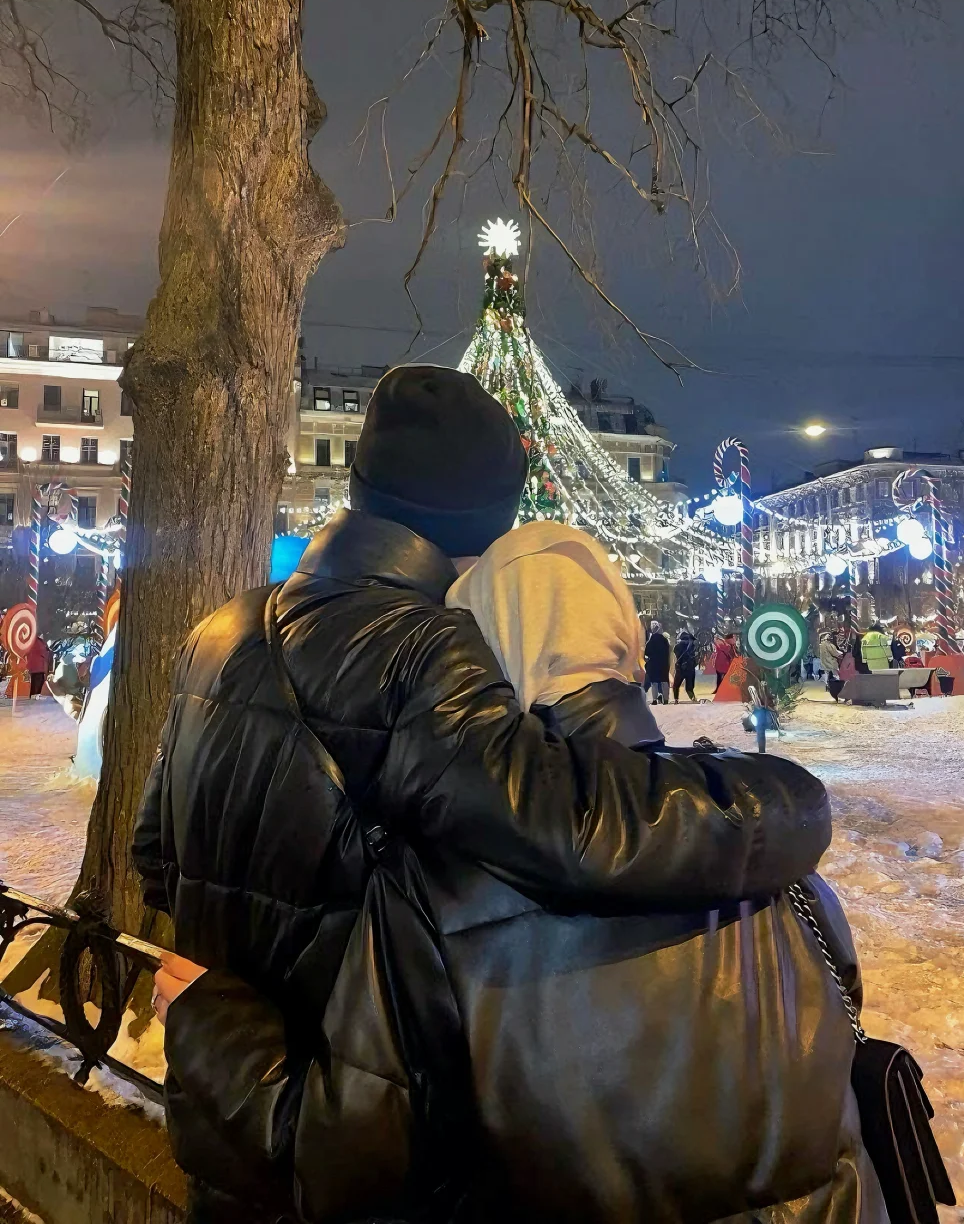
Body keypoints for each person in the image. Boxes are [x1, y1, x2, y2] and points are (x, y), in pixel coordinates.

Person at [135, 366, 832, 1224]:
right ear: (484, 529)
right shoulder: (424, 648)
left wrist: (225, 997)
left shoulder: (218, 629)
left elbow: (153, 854)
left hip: (222, 1120)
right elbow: (570, 825)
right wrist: (780, 805)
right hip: (346, 1147)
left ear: (362, 484)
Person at [643, 618, 671, 704]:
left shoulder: (650, 641)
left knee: (654, 682)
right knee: (664, 681)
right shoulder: (664, 640)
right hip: (663, 664)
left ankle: (654, 700)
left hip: (653, 664)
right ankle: (666, 700)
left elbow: (646, 653)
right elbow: (668, 652)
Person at [672, 628, 697, 702]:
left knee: (676, 685)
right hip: (690, 669)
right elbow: (694, 658)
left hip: (680, 668)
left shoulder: (677, 647)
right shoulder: (692, 647)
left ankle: (676, 699)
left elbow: (676, 653)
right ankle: (693, 698)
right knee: (689, 687)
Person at [25, 634, 52, 698]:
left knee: (33, 684)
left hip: (32, 668)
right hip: (39, 668)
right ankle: (35, 697)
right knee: (38, 685)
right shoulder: (41, 643)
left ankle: (32, 696)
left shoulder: (30, 642)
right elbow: (45, 656)